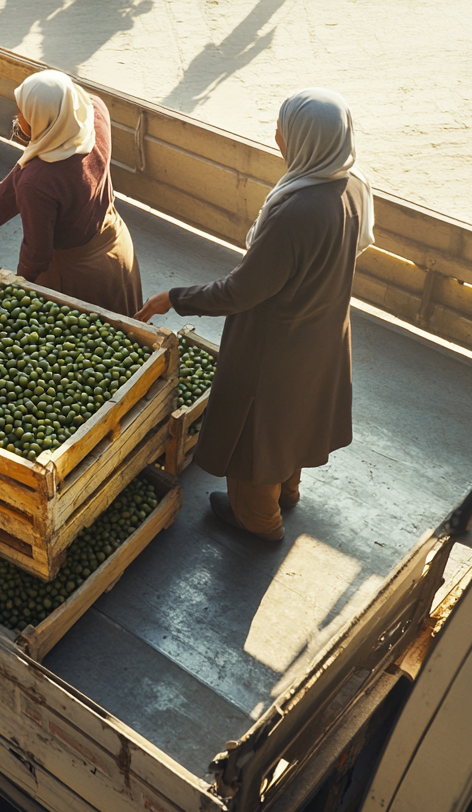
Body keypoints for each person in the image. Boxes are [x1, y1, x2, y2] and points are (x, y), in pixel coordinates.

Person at [135, 88, 375, 541]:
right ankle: (288, 489)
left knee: (257, 432)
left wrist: (175, 297)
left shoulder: (296, 210)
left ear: (304, 139)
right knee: (296, 418)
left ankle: (259, 518)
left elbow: (239, 292)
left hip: (276, 342)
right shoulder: (351, 185)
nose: (277, 135)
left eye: (284, 129)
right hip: (323, 328)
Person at [0, 70, 143, 316]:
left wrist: (16, 289)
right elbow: (14, 186)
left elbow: (37, 254)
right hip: (117, 247)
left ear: (45, 118)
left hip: (79, 276)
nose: (19, 117)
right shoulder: (93, 112)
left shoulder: (40, 180)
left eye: (24, 112)